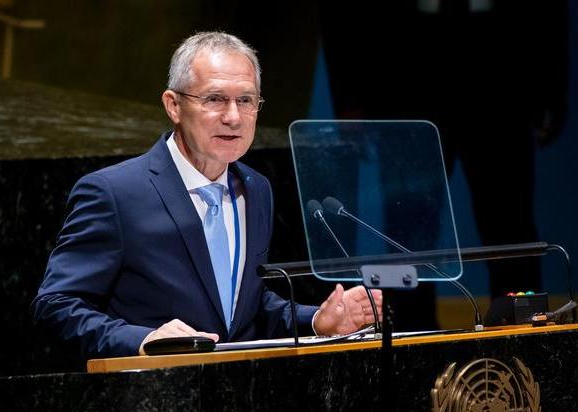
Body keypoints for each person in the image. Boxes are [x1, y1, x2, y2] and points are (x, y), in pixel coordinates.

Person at [31, 31, 382, 359]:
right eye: (215, 99)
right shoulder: (114, 193)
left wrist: (316, 320)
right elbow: (55, 306)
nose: (233, 117)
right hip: (153, 390)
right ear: (173, 105)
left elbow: (241, 306)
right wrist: (141, 340)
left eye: (246, 100)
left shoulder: (257, 188)